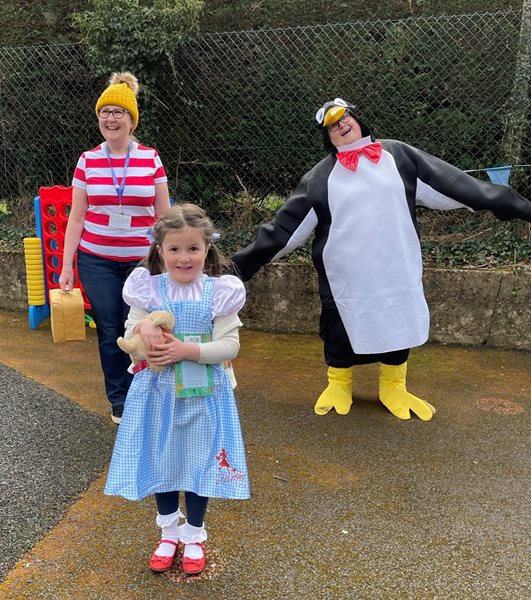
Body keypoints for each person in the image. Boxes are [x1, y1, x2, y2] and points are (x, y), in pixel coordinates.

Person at [232, 97, 531, 421]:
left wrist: (518, 206)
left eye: (344, 117)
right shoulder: (319, 178)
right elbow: (284, 231)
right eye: (332, 126)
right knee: (339, 328)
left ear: (357, 118)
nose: (341, 125)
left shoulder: (399, 156)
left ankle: (394, 386)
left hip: (395, 271)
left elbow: (457, 186)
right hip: (346, 278)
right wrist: (234, 268)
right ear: (327, 137)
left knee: (398, 322)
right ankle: (339, 383)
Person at [104, 203, 250, 575]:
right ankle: (169, 533)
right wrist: (142, 328)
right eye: (174, 249)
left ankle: (194, 535)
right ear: (160, 250)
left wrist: (187, 351)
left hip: (205, 395)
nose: (184, 257)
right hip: (158, 395)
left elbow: (230, 345)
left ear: (207, 249)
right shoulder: (148, 289)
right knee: (163, 460)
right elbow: (130, 332)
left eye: (193, 249)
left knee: (200, 462)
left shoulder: (219, 292)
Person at [59, 72, 171, 424]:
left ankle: (142, 392)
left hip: (143, 262)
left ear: (131, 120)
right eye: (104, 112)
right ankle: (119, 399)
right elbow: (77, 217)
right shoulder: (87, 160)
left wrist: (169, 260)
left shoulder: (150, 158)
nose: (110, 118)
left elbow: (164, 215)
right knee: (109, 330)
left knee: (139, 327)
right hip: (97, 260)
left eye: (118, 112)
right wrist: (67, 266)